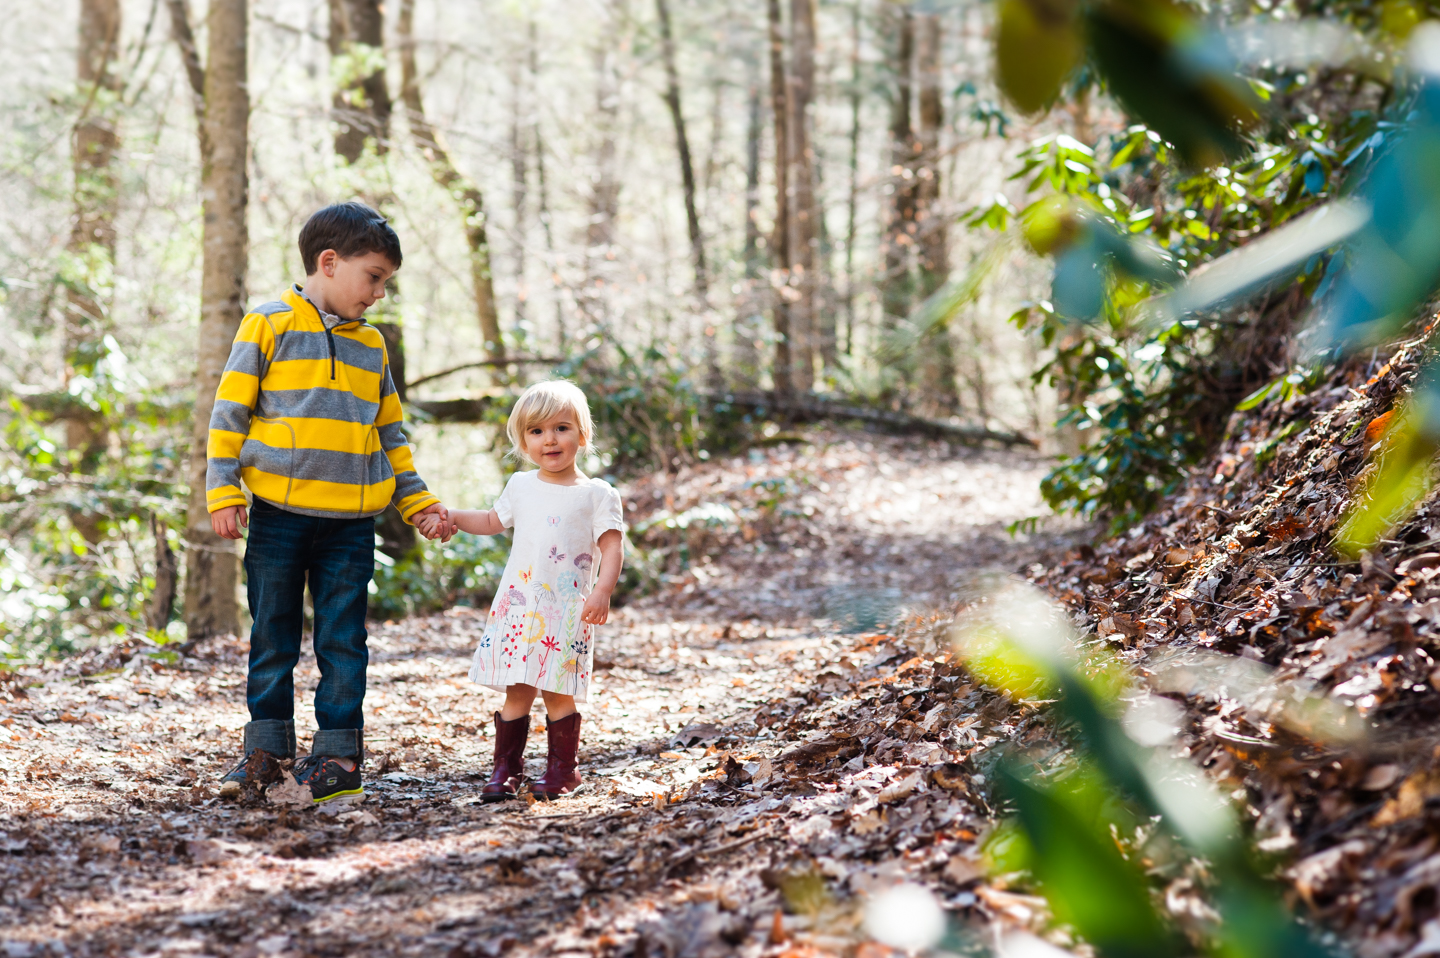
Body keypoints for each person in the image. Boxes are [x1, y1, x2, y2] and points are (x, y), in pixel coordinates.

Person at [208, 202, 452, 803]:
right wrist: (222, 489)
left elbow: (390, 433)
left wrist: (416, 502)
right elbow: (229, 413)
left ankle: (339, 759)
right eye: (374, 278)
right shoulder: (267, 323)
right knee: (272, 634)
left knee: (343, 640)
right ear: (329, 262)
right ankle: (265, 751)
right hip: (277, 518)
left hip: (351, 524)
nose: (378, 294)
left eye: (386, 283)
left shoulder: (372, 346)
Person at [419, 380, 624, 801]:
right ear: (523, 441)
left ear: (582, 435)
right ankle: (505, 770)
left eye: (562, 428)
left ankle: (563, 771)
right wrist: (452, 516)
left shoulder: (597, 494)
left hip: (567, 610)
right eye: (537, 431)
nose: (550, 439)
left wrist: (602, 590)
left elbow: (611, 545)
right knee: (518, 689)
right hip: (520, 607)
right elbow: (493, 521)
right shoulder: (521, 485)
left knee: (557, 691)